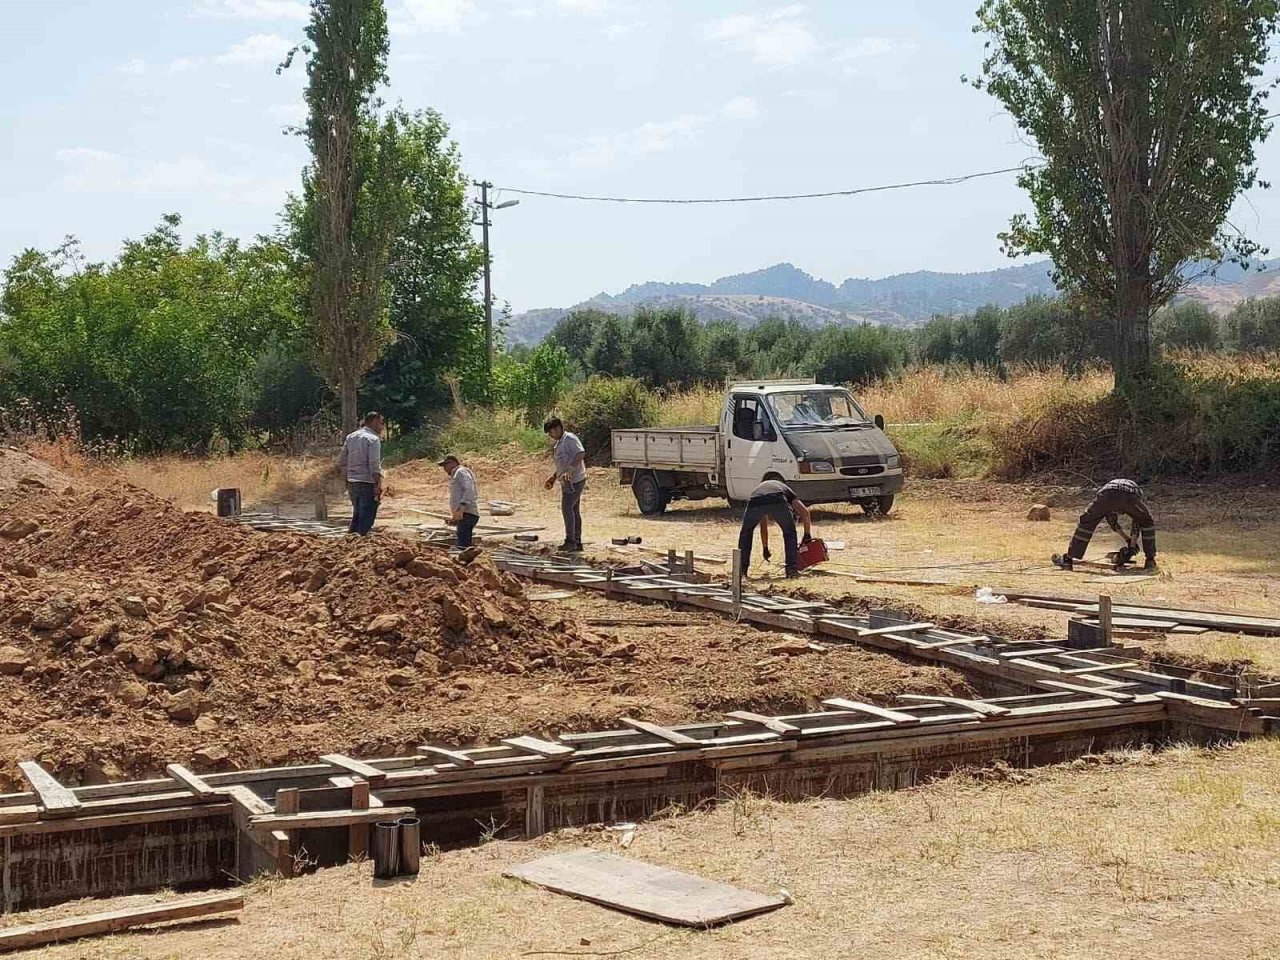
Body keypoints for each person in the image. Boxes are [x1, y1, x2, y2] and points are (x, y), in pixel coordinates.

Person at [1052, 478, 1157, 571]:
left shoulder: (1111, 492)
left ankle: (1068, 559)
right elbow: (1137, 521)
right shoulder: (1139, 496)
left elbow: (1112, 520)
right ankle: (1150, 561)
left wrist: (1129, 541)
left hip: (1107, 495)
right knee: (1147, 522)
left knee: (1087, 522)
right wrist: (1131, 543)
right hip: (1129, 495)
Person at [738, 479, 813, 579]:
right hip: (776, 497)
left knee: (746, 533)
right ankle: (791, 571)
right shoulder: (788, 491)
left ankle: (742, 572)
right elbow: (805, 512)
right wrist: (807, 535)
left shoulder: (763, 489)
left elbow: (763, 525)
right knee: (790, 533)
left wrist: (765, 548)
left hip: (755, 499)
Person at [543, 417, 587, 552]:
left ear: (558, 429)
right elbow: (563, 464)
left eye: (551, 432)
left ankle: (570, 541)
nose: (551, 436)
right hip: (567, 481)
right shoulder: (559, 443)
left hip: (575, 480)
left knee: (567, 508)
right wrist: (554, 477)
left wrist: (571, 469)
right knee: (573, 510)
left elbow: (581, 453)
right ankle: (577, 542)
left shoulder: (570, 439)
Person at [337, 411, 385, 536]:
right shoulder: (373, 439)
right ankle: (360, 540)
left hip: (353, 482)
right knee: (367, 514)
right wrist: (378, 485)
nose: (382, 427)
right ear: (374, 422)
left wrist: (347, 479)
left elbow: (342, 461)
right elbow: (374, 464)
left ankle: (351, 539)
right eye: (381, 423)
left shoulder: (351, 437)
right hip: (366, 482)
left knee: (357, 513)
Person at [438, 454, 481, 549]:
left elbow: (469, 489)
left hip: (467, 513)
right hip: (464, 514)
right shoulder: (456, 474)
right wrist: (456, 516)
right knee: (463, 541)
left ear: (453, 463)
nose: (444, 469)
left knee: (462, 546)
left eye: (445, 465)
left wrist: (462, 506)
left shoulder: (461, 472)